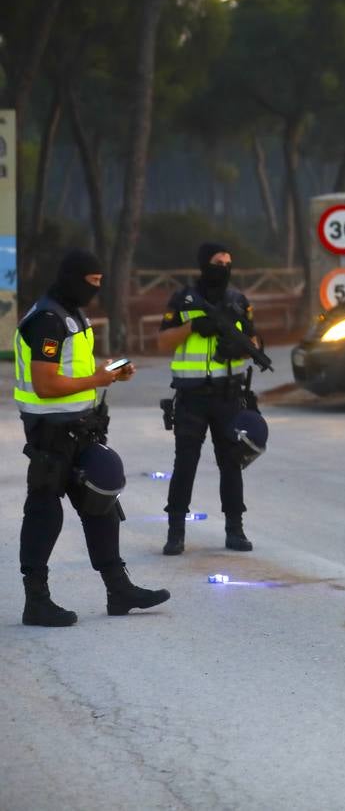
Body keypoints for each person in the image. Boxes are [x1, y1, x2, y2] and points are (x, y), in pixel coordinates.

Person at [13, 249, 170, 626]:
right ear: (72, 277)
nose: (95, 290)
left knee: (100, 504)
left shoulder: (72, 314)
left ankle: (119, 589)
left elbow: (73, 372)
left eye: (100, 283)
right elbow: (45, 383)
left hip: (79, 427)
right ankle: (36, 600)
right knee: (44, 512)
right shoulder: (48, 319)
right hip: (49, 432)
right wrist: (97, 379)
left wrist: (107, 375)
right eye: (92, 282)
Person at [156, 242, 261, 554]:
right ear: (205, 264)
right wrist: (192, 326)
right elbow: (163, 342)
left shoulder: (239, 301)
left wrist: (237, 348)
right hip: (191, 397)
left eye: (229, 262)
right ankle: (176, 533)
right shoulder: (183, 299)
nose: (225, 267)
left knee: (231, 463)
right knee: (185, 464)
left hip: (228, 396)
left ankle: (235, 529)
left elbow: (254, 342)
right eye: (218, 262)